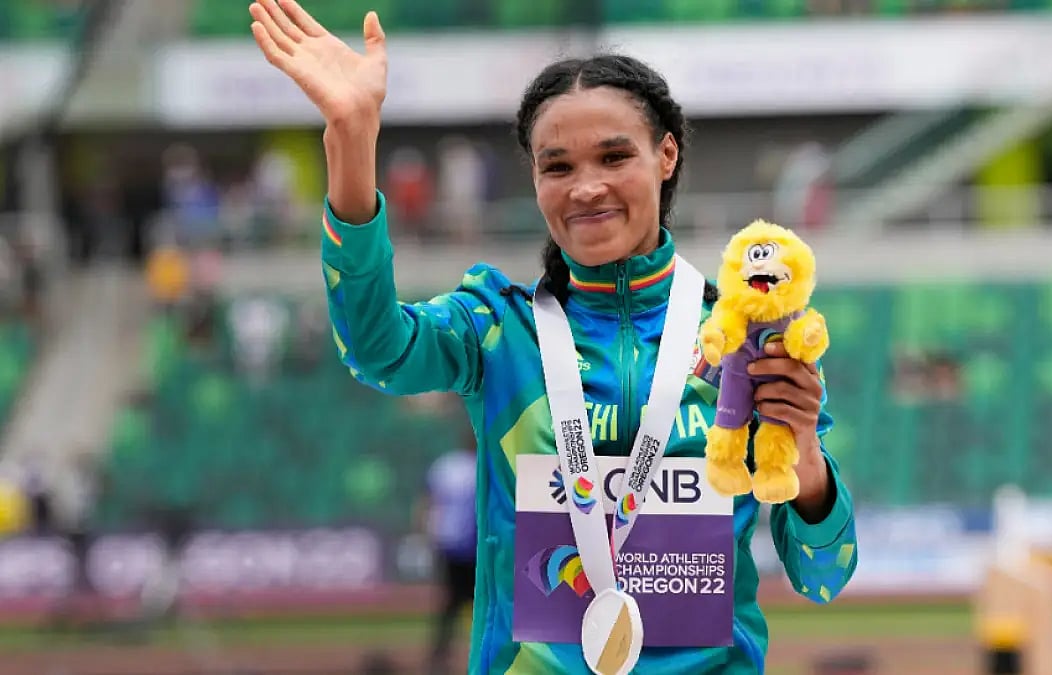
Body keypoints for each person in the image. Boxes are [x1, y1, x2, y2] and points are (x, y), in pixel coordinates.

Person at [248, 2, 858, 673]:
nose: (586, 186)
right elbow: (375, 349)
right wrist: (353, 140)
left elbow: (824, 573)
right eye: (557, 166)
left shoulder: (744, 338)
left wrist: (802, 456)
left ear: (666, 154)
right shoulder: (497, 329)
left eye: (614, 155)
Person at [419, 432, 479, 674]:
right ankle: (483, 652)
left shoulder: (446, 465)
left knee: (451, 603)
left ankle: (439, 656)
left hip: (449, 543)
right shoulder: (482, 465)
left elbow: (428, 501)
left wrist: (427, 531)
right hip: (470, 546)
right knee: (476, 601)